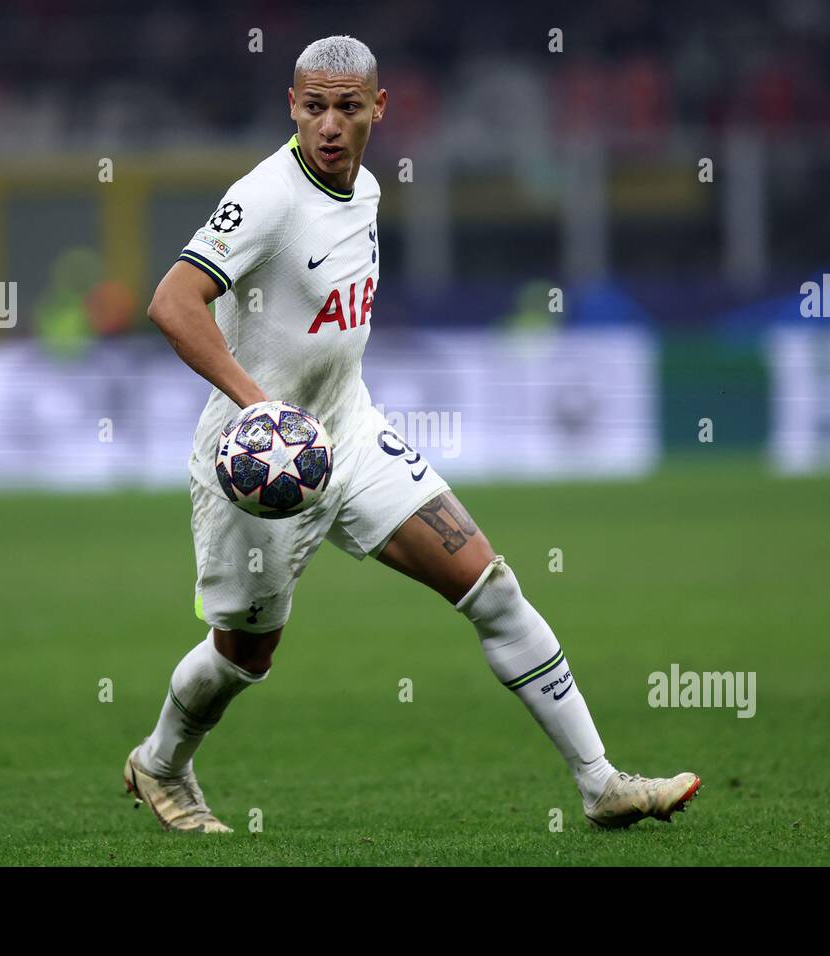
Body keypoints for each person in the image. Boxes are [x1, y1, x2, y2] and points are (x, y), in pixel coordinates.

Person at [129, 35, 700, 833]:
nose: (330, 125)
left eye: (348, 108)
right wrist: (261, 411)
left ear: (379, 109)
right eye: (315, 107)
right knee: (244, 656)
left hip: (351, 435)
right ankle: (161, 763)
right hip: (260, 469)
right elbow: (172, 303)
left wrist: (313, 408)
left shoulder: (363, 187)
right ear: (292, 106)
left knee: (491, 587)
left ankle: (600, 784)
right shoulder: (265, 196)